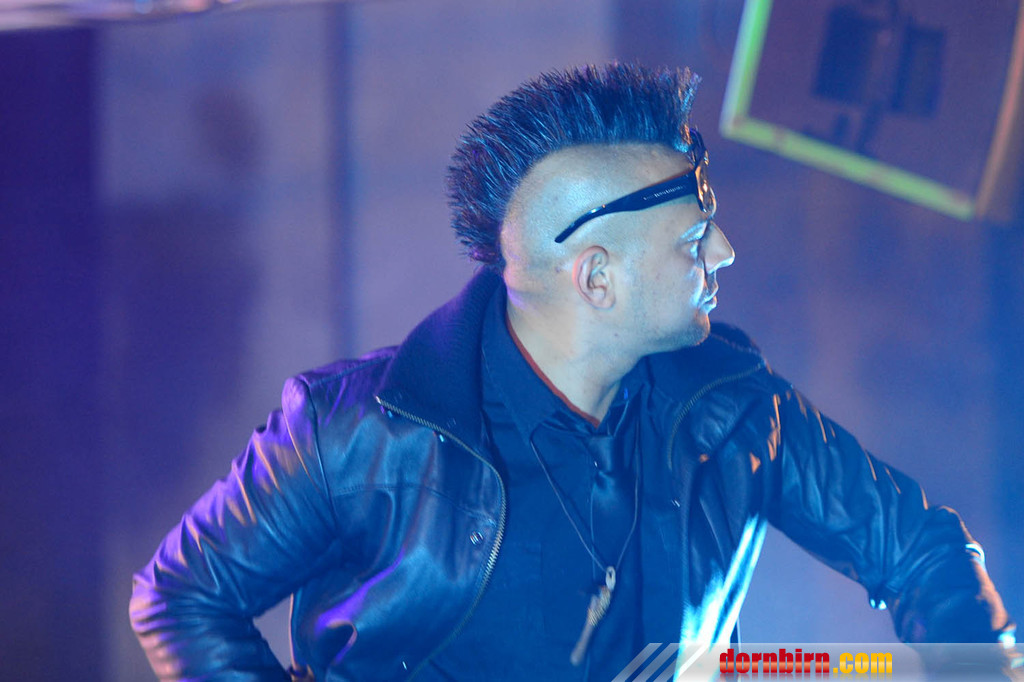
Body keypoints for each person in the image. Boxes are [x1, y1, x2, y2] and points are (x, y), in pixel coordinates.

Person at [130, 63, 1019, 681]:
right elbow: (180, 596)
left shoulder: (738, 408)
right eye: (693, 236)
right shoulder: (352, 431)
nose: (725, 251)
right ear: (597, 278)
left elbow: (923, 551)